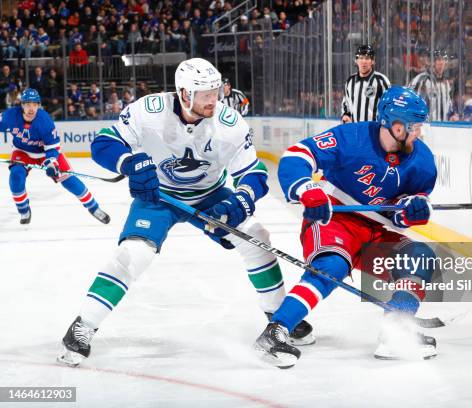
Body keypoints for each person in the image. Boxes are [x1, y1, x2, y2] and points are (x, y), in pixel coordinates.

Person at [57, 58, 313, 367]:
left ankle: (278, 318)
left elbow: (253, 173)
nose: (213, 100)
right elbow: (104, 143)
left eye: (215, 92)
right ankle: (83, 325)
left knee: (257, 237)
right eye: (205, 94)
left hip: (211, 195)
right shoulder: (148, 110)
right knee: (133, 253)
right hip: (159, 196)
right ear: (184, 93)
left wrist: (240, 201)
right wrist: (128, 162)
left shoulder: (229, 123)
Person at [254, 86, 438, 368]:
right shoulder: (352, 137)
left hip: (375, 230)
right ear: (395, 124)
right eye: (413, 127)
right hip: (333, 218)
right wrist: (308, 190)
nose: (419, 133)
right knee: (332, 266)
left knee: (419, 256)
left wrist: (413, 210)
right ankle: (275, 331)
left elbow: (398, 216)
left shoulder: (423, 162)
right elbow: (296, 155)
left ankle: (396, 331)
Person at [0, 88, 110, 225]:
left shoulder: (45, 121)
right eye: (28, 104)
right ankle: (24, 210)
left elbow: (52, 147)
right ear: (22, 105)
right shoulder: (10, 116)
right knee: (16, 176)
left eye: (35, 104)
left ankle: (93, 207)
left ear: (38, 105)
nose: (31, 108)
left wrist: (51, 163)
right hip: (22, 151)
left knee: (68, 180)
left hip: (46, 153)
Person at [341, 44, 390, 123]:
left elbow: (388, 104)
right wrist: (346, 114)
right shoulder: (350, 81)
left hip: (375, 130)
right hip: (355, 129)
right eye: (361, 58)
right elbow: (346, 103)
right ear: (356, 61)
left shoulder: (381, 81)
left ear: (373, 61)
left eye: (367, 58)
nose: (363, 61)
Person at [409, 50, 455, 122]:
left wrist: (452, 115)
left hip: (444, 128)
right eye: (438, 60)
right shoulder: (421, 80)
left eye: (444, 60)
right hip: (426, 128)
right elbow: (412, 104)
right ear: (431, 62)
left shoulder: (446, 83)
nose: (441, 63)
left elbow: (449, 106)